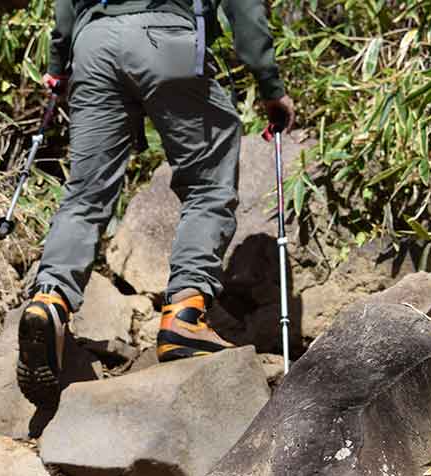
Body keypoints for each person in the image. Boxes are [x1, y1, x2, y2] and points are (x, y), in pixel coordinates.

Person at [17, 0, 295, 407]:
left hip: (93, 44)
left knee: (86, 193)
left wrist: (58, 63)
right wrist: (270, 86)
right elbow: (244, 7)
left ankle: (50, 300)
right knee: (207, 184)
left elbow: (65, 6)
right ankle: (185, 314)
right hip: (167, 40)